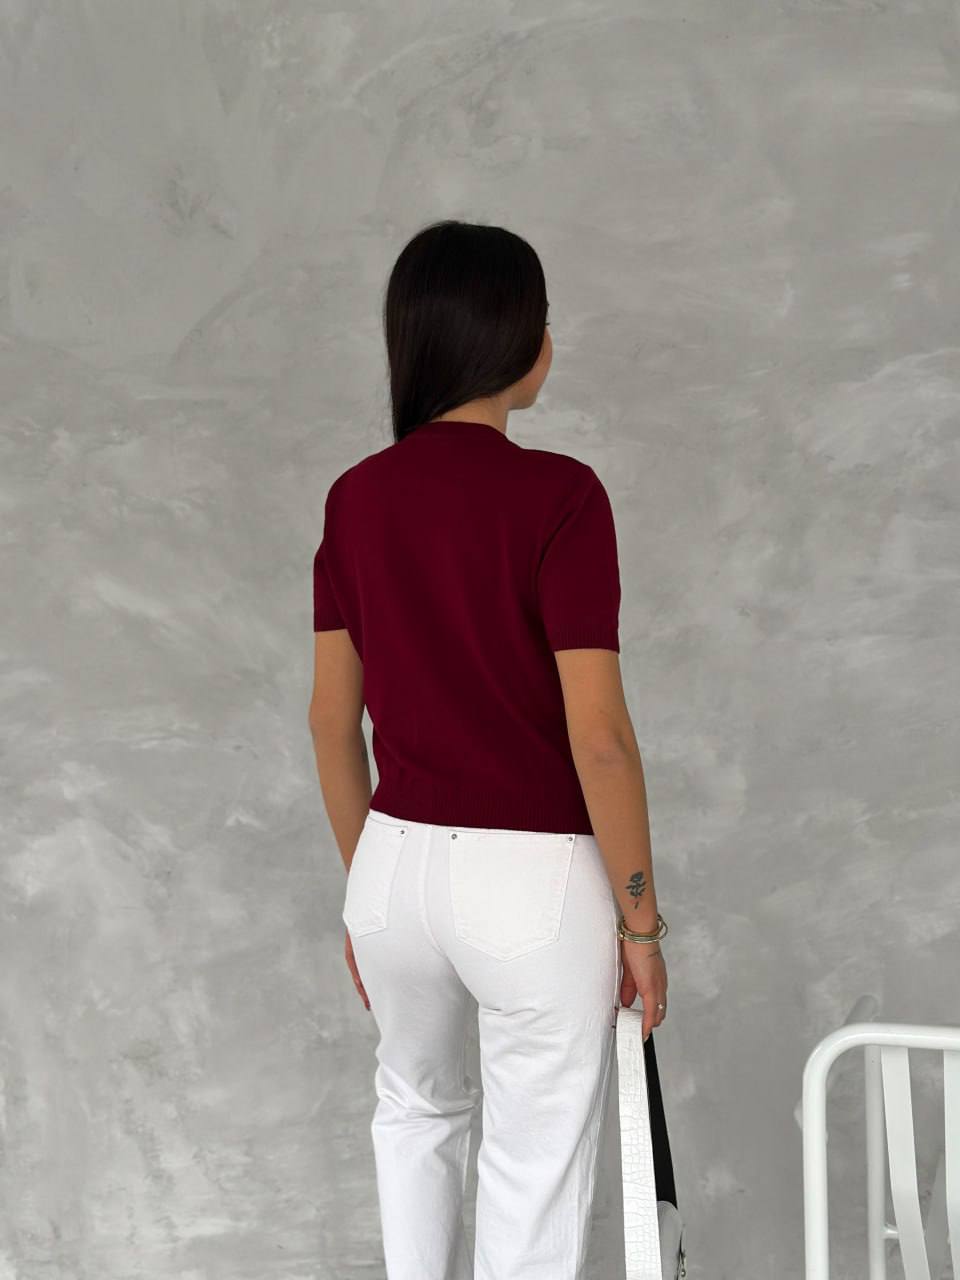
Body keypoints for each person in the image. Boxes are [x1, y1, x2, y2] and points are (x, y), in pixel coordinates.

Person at [308, 218, 668, 1280]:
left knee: (414, 1115)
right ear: (517, 341)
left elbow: (330, 721)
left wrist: (365, 890)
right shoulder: (562, 495)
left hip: (392, 870)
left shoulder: (355, 497)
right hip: (532, 882)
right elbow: (600, 740)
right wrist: (642, 922)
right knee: (533, 1162)